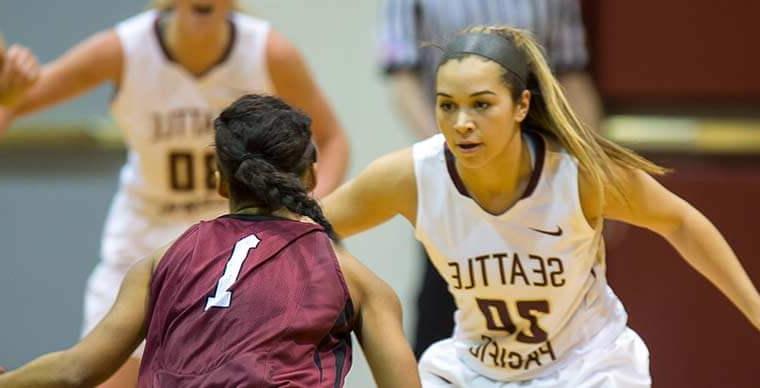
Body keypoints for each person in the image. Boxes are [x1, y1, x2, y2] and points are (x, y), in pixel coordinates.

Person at [324, 26, 760, 386]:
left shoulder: (578, 176)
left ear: (521, 106)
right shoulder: (410, 177)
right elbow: (300, 228)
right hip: (475, 369)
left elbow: (680, 222)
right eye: (447, 106)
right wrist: (365, 288)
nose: (462, 123)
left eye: (481, 104)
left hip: (587, 366)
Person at [0, 1, 350, 386]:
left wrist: (308, 211)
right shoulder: (122, 48)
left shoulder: (269, 51)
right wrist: (11, 85)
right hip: (141, 243)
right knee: (96, 373)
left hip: (233, 249)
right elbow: (15, 102)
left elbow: (332, 139)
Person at [0, 94, 421, 388]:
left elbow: (76, 371)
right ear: (310, 175)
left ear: (218, 180)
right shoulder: (355, 280)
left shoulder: (161, 261)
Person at [378, 0, 604, 356]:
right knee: (441, 322)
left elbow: (572, 74)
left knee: (559, 327)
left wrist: (592, 166)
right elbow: (401, 76)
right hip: (456, 183)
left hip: (537, 178)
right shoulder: (412, 170)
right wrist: (452, 152)